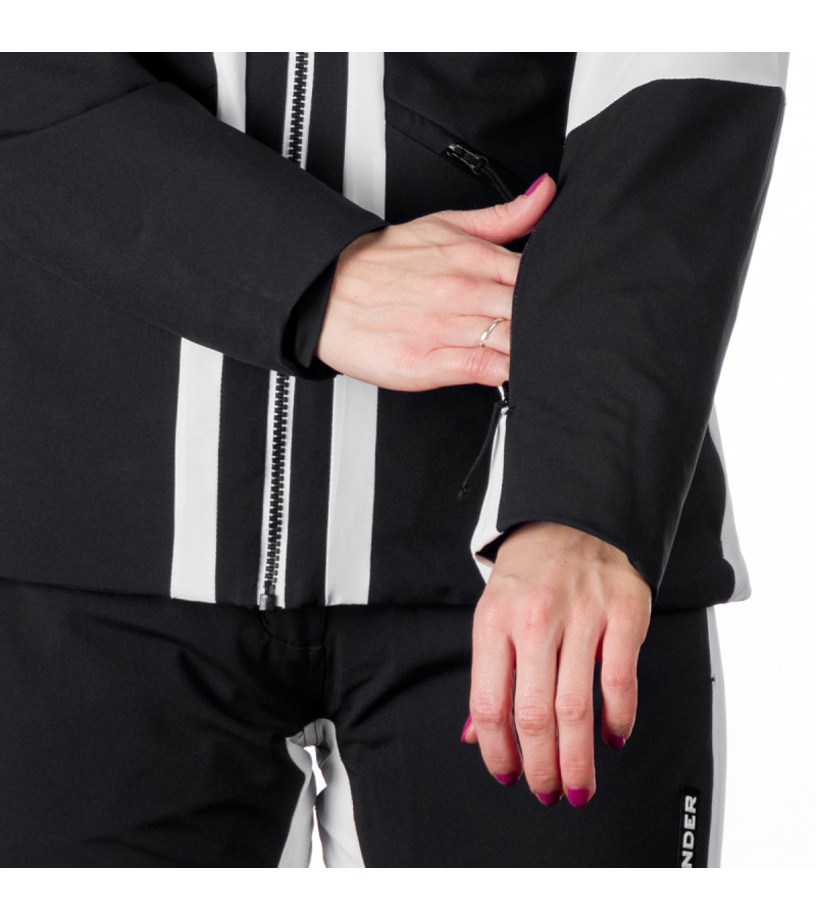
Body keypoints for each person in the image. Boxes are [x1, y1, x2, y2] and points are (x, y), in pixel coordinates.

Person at [0, 52, 787, 867]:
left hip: (542, 562)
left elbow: (684, 81)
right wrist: (302, 274)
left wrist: (585, 496)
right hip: (73, 546)